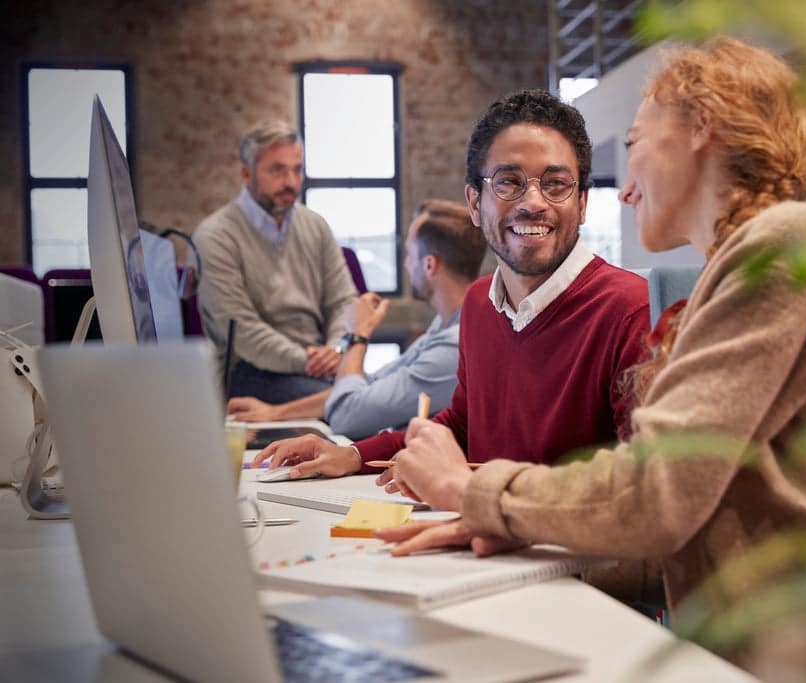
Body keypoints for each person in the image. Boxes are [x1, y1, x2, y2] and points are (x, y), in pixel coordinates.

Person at [368, 37, 806, 625]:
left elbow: (657, 491)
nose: (624, 191)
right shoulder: (737, 271)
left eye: (638, 139)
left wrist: (469, 492)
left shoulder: (784, 250)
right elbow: (687, 529)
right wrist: (517, 530)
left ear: (699, 129)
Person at [253, 90, 651, 476]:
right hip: (476, 534)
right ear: (476, 203)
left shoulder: (631, 311)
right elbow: (462, 425)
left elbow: (641, 484)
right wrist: (354, 454)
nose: (533, 202)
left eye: (556, 184)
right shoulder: (479, 304)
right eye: (508, 182)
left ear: (582, 203)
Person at [225, 200, 486, 440]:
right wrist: (275, 413)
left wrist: (357, 336)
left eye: (409, 254)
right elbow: (371, 385)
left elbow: (346, 416)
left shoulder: (456, 346)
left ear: (429, 265)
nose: (406, 264)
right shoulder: (445, 324)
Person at [194, 120, 358, 403]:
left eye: (297, 169)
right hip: (247, 371)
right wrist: (311, 361)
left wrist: (336, 350)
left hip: (313, 366)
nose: (291, 182)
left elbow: (344, 301)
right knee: (351, 405)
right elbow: (242, 331)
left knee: (373, 399)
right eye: (277, 170)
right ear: (247, 173)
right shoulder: (215, 236)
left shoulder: (315, 225)